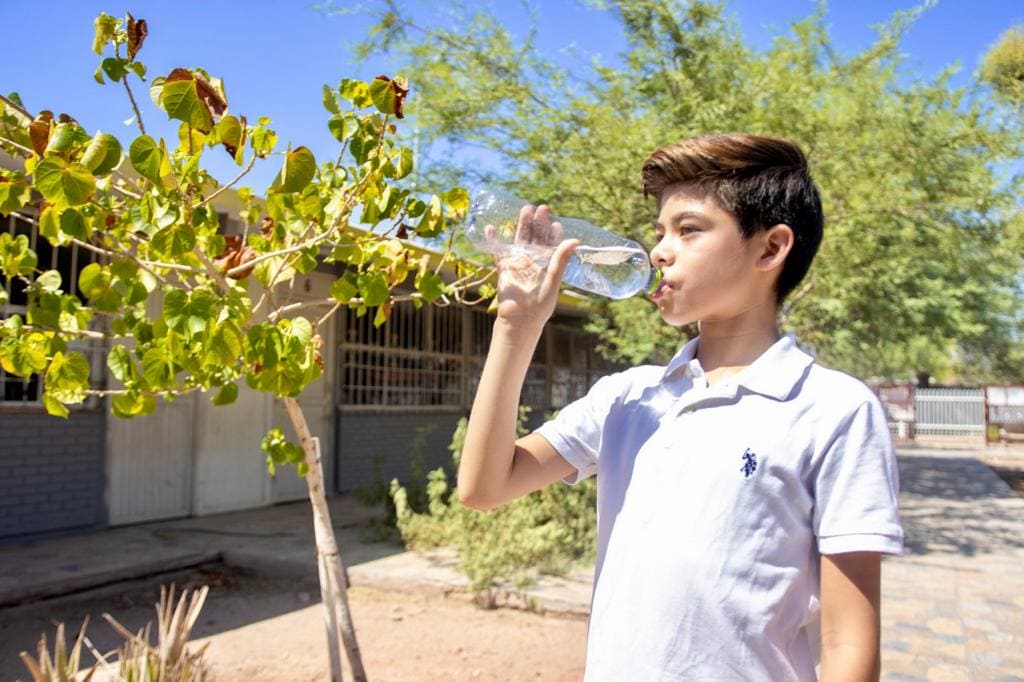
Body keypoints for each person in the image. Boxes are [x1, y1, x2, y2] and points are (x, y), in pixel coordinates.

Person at [458, 133, 905, 680]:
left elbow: (848, 645)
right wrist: (516, 325)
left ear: (771, 247)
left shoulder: (835, 410)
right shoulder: (628, 397)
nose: (658, 251)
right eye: (659, 233)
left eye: (688, 230)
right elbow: (484, 487)